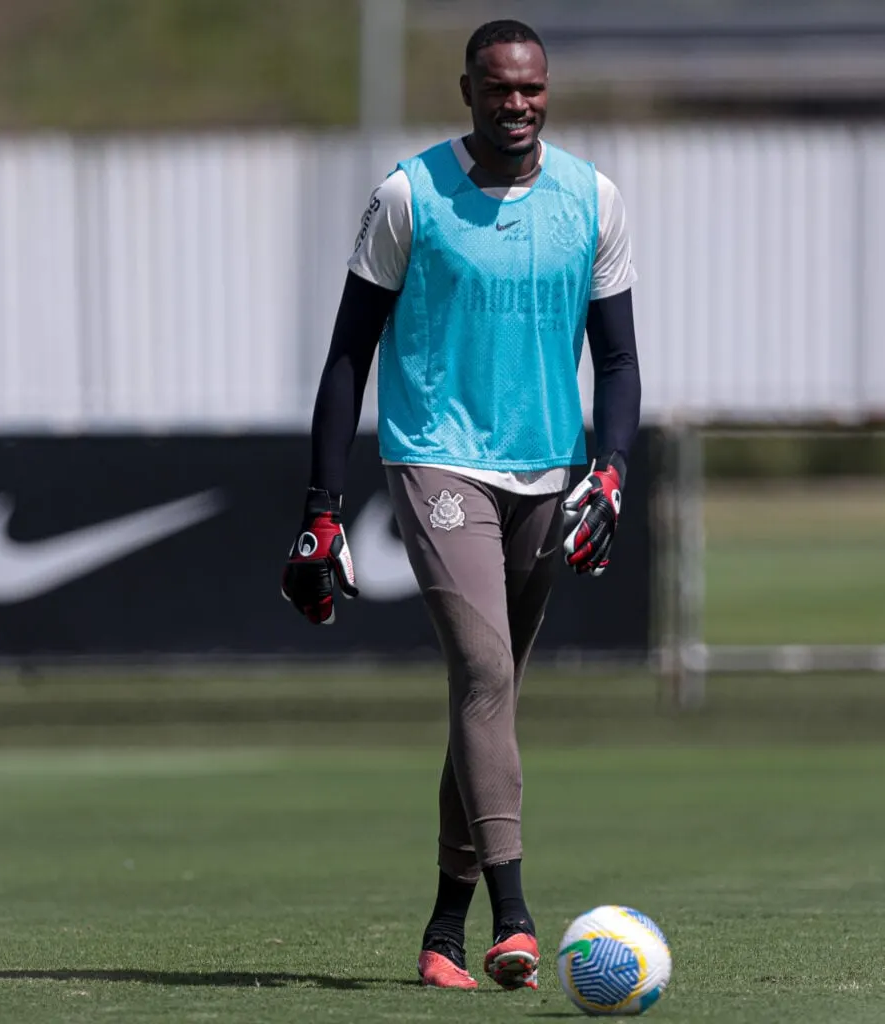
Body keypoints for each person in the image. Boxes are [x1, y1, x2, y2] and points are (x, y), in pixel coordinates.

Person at [281, 18, 641, 992]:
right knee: (482, 670)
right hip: (436, 458)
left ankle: (442, 928)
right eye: (498, 89)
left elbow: (615, 359)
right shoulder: (409, 196)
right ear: (467, 90)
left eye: (530, 89)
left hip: (545, 469)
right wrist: (322, 505)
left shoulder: (591, 200)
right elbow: (348, 353)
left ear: (544, 90)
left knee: (490, 699)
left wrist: (607, 468)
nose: (516, 105)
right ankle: (513, 918)